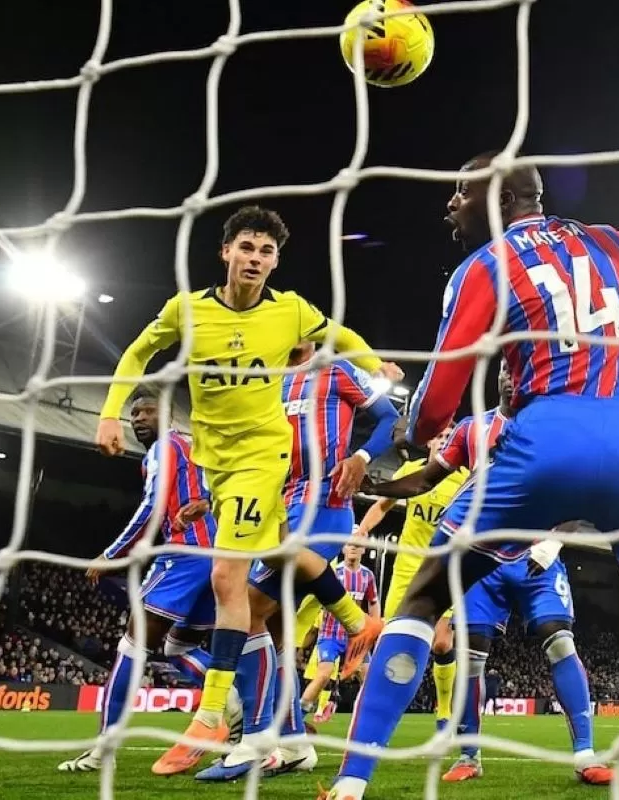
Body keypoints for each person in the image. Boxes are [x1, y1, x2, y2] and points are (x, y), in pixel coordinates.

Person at [319, 152, 619, 800]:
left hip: (541, 444)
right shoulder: (609, 241)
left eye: (459, 192)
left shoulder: (483, 266)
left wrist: (410, 436)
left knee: (423, 599)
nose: (449, 205)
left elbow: (438, 397)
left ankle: (351, 781)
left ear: (502, 199)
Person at [97, 206, 391, 775]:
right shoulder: (187, 311)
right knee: (270, 597)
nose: (256, 260)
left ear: (275, 262)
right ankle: (342, 647)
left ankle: (215, 716)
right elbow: (138, 351)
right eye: (247, 249)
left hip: (266, 459)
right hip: (218, 464)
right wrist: (111, 413)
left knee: (230, 581)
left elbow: (347, 338)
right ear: (226, 252)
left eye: (267, 253)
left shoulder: (295, 316)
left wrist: (374, 366)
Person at [367, 365, 610, 785]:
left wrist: (552, 544)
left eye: (522, 369)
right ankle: (468, 755)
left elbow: (577, 493)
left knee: (559, 642)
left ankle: (585, 755)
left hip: (537, 556)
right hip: (482, 558)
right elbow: (426, 479)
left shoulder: (555, 427)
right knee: (471, 656)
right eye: (505, 368)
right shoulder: (471, 429)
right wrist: (372, 485)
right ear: (496, 377)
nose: (512, 376)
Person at [195, 340, 398, 782]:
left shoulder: (336, 369)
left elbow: (389, 418)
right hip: (279, 511)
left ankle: (254, 740)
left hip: (324, 507)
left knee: (248, 610)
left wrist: (361, 457)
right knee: (274, 631)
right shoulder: (266, 381)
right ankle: (293, 744)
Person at [58, 391, 223, 773]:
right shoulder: (194, 446)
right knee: (177, 647)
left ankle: (103, 750)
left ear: (167, 416)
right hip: (219, 558)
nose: (139, 418)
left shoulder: (164, 448)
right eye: (134, 413)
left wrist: (112, 553)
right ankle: (230, 703)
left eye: (149, 411)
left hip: (184, 556)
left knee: (132, 647)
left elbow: (151, 505)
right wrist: (209, 503)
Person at [353, 427, 468, 733]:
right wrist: (362, 531)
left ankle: (444, 712)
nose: (443, 439)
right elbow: (382, 504)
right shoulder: (411, 471)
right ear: (430, 440)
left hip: (443, 567)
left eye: (449, 435)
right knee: (388, 639)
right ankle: (378, 715)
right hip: (406, 567)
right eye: (440, 434)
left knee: (443, 643)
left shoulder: (465, 479)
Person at [299, 542, 379, 722]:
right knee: (323, 675)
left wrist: (374, 629)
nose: (353, 548)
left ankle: (368, 725)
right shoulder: (334, 572)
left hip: (355, 637)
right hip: (330, 635)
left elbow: (373, 602)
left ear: (364, 550)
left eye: (358, 545)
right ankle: (296, 718)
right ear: (343, 548)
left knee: (370, 678)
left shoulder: (367, 576)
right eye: (350, 544)